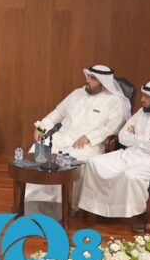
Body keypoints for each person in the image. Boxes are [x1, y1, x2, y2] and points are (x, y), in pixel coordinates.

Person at [77, 80, 150, 230]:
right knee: (94, 162)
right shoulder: (142, 112)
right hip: (131, 154)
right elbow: (123, 137)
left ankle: (141, 215)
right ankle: (102, 208)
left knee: (130, 175)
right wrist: (144, 140)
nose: (142, 99)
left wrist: (135, 137)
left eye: (146, 97)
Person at [24, 65, 130, 209]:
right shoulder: (77, 93)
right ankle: (30, 202)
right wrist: (41, 128)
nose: (87, 80)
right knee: (38, 151)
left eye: (93, 79)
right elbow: (58, 112)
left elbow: (112, 127)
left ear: (104, 83)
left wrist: (89, 137)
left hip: (88, 145)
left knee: (67, 166)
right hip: (62, 137)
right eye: (88, 76)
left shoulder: (114, 101)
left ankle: (59, 207)